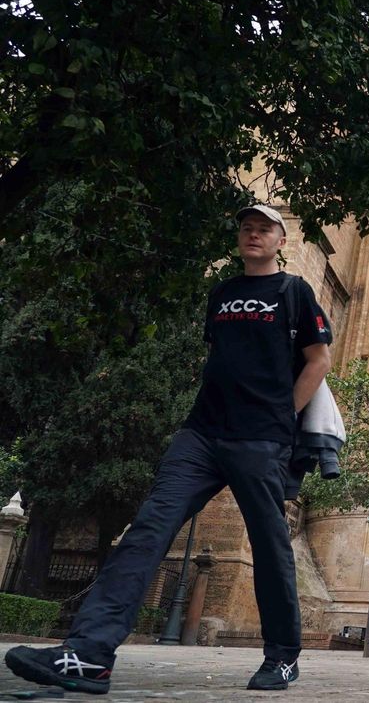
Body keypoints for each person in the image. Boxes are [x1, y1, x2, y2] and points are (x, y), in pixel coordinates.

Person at [4, 204, 333, 694]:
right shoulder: (221, 293)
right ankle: (90, 655)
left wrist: (283, 417)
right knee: (146, 531)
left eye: (265, 229)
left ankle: (283, 657)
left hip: (259, 438)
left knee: (270, 548)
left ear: (281, 241)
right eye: (246, 227)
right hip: (199, 433)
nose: (254, 234)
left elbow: (319, 358)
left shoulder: (294, 291)